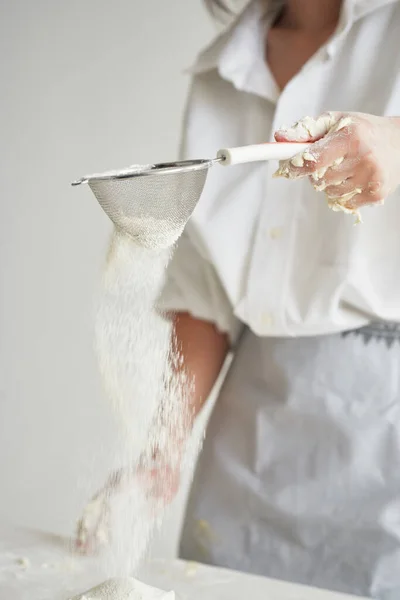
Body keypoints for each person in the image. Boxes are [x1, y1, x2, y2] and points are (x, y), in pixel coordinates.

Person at [77, 1, 400, 597]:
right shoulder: (221, 71)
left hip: (384, 429)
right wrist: (162, 450)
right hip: (249, 437)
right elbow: (206, 292)